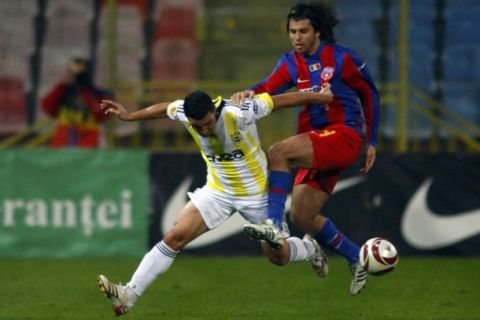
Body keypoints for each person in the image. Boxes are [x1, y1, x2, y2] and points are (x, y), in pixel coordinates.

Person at [97, 87, 333, 316]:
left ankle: (310, 249)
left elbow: (281, 101)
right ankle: (129, 293)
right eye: (197, 126)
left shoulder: (240, 111)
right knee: (174, 237)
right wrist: (129, 117)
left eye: (208, 123)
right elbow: (163, 109)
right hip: (218, 192)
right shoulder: (185, 112)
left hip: (257, 194)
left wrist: (320, 98)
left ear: (214, 111)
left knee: (278, 257)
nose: (205, 130)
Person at [232, 2, 380, 295]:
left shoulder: (343, 58)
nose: (297, 37)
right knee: (303, 216)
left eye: (303, 31)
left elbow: (369, 94)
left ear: (317, 32)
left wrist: (372, 140)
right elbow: (268, 87)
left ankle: (274, 225)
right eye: (292, 31)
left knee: (278, 152)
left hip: (343, 136)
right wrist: (249, 91)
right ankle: (356, 258)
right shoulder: (290, 62)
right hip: (316, 141)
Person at [41, 57, 112, 148]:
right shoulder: (63, 91)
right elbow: (48, 108)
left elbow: (101, 114)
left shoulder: (97, 94)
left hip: (88, 139)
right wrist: (63, 86)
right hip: (65, 137)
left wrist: (85, 91)